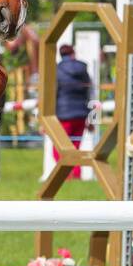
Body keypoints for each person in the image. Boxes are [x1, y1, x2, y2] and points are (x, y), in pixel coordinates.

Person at [54, 43, 92, 178]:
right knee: (75, 147)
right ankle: (76, 175)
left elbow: (53, 93)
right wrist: (89, 115)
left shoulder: (57, 70)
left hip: (62, 115)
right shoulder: (83, 69)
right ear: (73, 53)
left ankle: (65, 176)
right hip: (81, 114)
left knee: (59, 147)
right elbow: (89, 92)